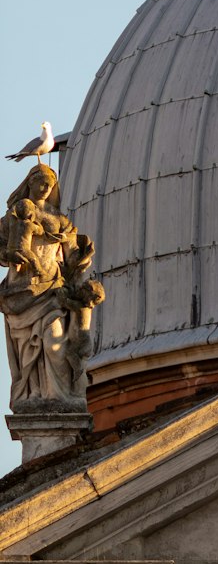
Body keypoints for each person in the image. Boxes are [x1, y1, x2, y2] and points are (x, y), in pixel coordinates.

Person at [0, 165, 103, 406]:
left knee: (55, 341)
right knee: (28, 350)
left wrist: (81, 257)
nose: (46, 188)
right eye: (41, 183)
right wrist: (11, 255)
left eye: (50, 185)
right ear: (30, 184)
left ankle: (59, 398)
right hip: (22, 288)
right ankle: (33, 393)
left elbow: (72, 255)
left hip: (53, 289)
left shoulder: (60, 221)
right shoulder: (14, 216)